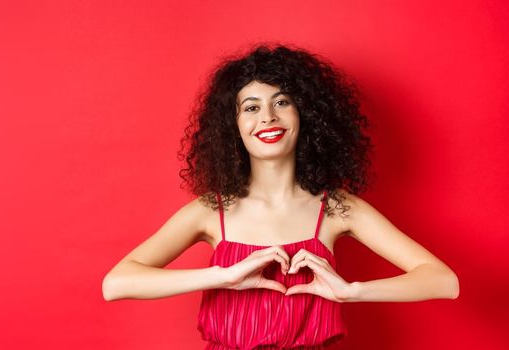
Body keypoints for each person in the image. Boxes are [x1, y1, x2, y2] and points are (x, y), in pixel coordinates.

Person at [101, 43, 460, 349]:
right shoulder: (211, 211)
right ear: (234, 126)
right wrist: (221, 277)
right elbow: (117, 283)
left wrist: (351, 291)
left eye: (282, 102)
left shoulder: (338, 208)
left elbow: (444, 281)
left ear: (306, 115)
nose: (268, 118)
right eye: (252, 107)